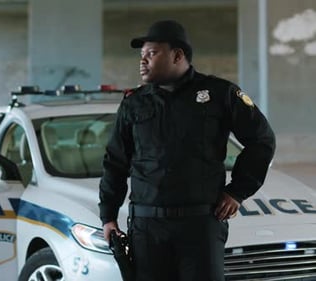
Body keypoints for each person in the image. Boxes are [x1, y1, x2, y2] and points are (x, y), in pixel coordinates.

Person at [99, 20, 275, 281]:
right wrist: (108, 216)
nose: (143, 61)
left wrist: (237, 191)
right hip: (147, 228)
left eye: (152, 53)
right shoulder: (134, 103)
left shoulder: (219, 94)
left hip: (200, 226)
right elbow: (115, 162)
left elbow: (262, 140)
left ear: (177, 55)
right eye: (141, 55)